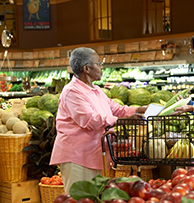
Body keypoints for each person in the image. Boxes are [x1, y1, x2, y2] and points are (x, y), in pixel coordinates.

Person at [50, 47, 147, 193]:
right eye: (99, 63)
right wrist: (120, 121)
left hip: (93, 153)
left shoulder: (96, 90)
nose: (102, 67)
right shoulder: (72, 91)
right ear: (87, 68)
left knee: (92, 201)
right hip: (77, 155)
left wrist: (140, 109)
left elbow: (117, 109)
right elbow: (89, 120)